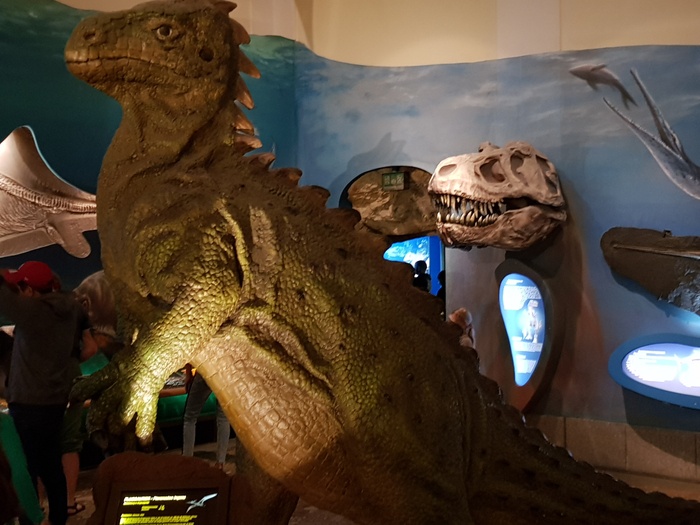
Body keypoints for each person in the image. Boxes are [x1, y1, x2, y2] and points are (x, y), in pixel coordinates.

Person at [0, 261, 92, 525]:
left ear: (30, 290)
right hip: (52, 400)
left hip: (28, 402)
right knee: (51, 465)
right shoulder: (67, 309)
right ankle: (58, 518)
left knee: (27, 465)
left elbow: (6, 301)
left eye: (20, 287)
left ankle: (33, 519)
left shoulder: (37, 313)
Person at [182, 364, 231, 469]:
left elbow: (191, 354)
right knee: (223, 418)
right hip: (225, 373)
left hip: (205, 371)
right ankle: (220, 463)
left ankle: (187, 460)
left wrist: (188, 375)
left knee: (190, 418)